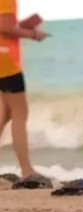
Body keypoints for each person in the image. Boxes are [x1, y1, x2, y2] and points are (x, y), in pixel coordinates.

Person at [0, 1, 47, 179]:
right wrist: (33, 34)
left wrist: (20, 26)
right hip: (6, 62)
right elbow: (4, 28)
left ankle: (26, 169)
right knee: (20, 113)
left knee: (6, 113)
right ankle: (27, 170)